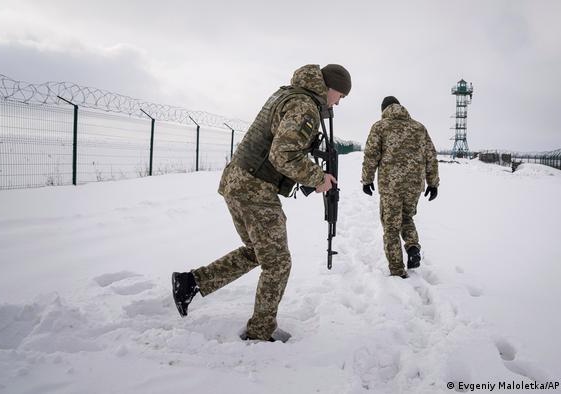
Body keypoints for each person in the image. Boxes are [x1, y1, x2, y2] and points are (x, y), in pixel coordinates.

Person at [172, 64, 351, 342]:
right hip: (254, 187)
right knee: (278, 262)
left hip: (239, 181)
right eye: (340, 95)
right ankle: (260, 331)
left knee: (258, 252)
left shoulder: (290, 94)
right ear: (330, 87)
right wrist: (317, 178)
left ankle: (190, 283)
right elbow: (283, 155)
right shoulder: (304, 105)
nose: (339, 101)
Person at [361, 96, 439, 278]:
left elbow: (371, 155)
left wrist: (367, 180)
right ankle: (412, 246)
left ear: (383, 110)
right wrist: (433, 183)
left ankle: (397, 271)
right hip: (414, 185)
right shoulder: (419, 128)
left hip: (391, 186)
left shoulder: (380, 126)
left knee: (391, 227)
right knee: (407, 217)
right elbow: (431, 157)